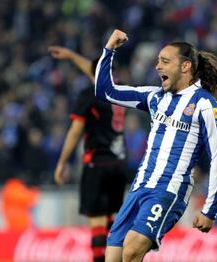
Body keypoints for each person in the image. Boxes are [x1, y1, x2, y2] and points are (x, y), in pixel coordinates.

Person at [94, 29, 217, 262]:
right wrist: (110, 49)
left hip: (169, 189)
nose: (157, 67)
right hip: (139, 187)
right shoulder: (154, 97)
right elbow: (105, 91)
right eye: (158, 61)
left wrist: (210, 208)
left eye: (165, 61)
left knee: (133, 249)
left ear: (185, 67)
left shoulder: (205, 104)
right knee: (113, 256)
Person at [49, 46, 128, 262]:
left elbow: (75, 132)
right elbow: (95, 71)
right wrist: (72, 55)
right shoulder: (119, 89)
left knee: (97, 222)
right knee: (114, 222)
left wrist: (62, 163)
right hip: (118, 165)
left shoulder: (89, 95)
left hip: (96, 164)